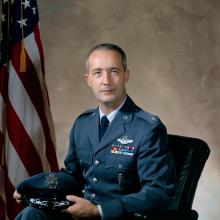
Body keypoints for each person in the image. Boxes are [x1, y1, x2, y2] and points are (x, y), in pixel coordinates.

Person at [14, 43, 176, 220]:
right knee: (32, 213)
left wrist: (99, 211)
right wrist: (35, 192)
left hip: (119, 216)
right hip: (79, 214)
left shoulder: (147, 128)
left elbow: (158, 192)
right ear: (88, 79)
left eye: (114, 71)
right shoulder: (83, 124)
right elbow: (73, 177)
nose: (106, 80)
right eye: (97, 73)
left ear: (126, 76)